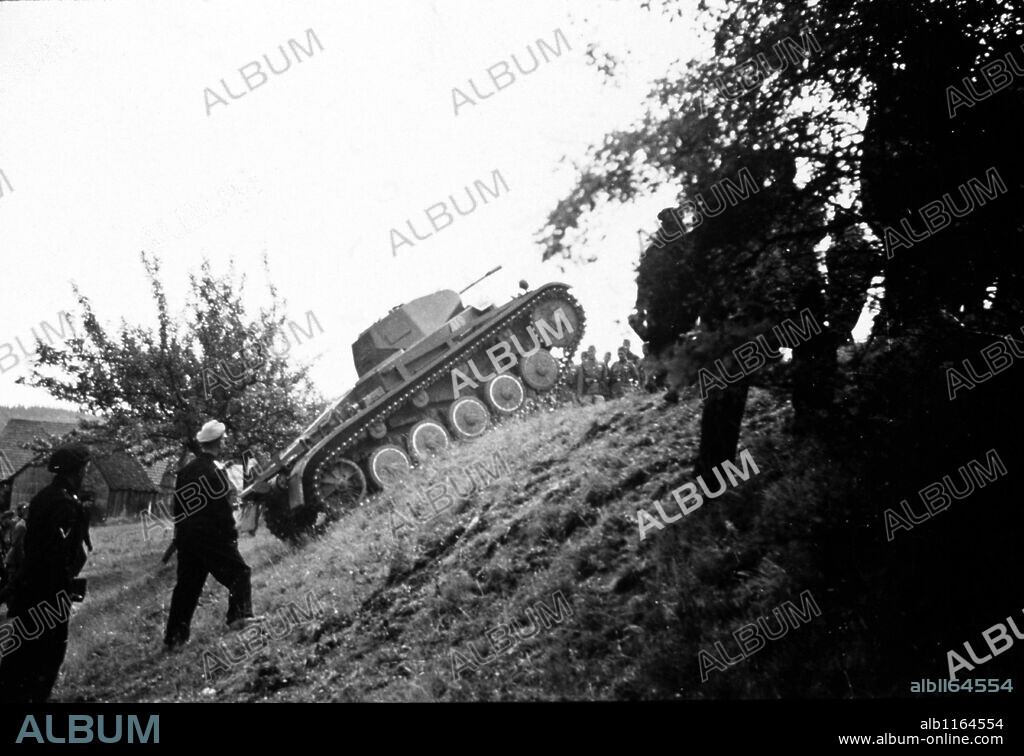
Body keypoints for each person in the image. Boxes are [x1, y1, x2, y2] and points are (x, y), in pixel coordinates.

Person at [0, 444, 92, 702]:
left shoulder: (45, 497)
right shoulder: (63, 503)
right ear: (78, 470)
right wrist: (63, 589)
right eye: (85, 466)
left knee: (21, 655)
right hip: (48, 593)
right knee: (45, 657)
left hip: (33, 590)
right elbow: (54, 556)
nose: (87, 471)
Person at [164, 421, 260, 651]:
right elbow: (221, 508)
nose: (226, 442)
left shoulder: (186, 470)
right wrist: (230, 532)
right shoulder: (215, 471)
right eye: (224, 439)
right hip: (212, 536)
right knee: (239, 572)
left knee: (187, 587)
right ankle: (239, 616)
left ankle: (174, 637)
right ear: (219, 443)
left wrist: (180, 534)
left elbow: (178, 506)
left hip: (187, 537)